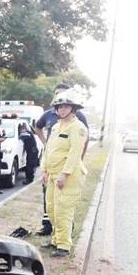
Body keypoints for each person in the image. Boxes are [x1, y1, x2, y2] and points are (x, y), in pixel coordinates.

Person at [35, 83, 89, 235]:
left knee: (63, 211)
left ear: (73, 107)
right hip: (52, 173)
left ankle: (63, 245)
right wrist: (44, 170)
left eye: (65, 106)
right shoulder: (56, 125)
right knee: (51, 209)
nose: (61, 109)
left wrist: (65, 173)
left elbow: (75, 152)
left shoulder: (78, 126)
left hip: (67, 174)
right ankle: (56, 240)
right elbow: (49, 149)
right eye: (59, 106)